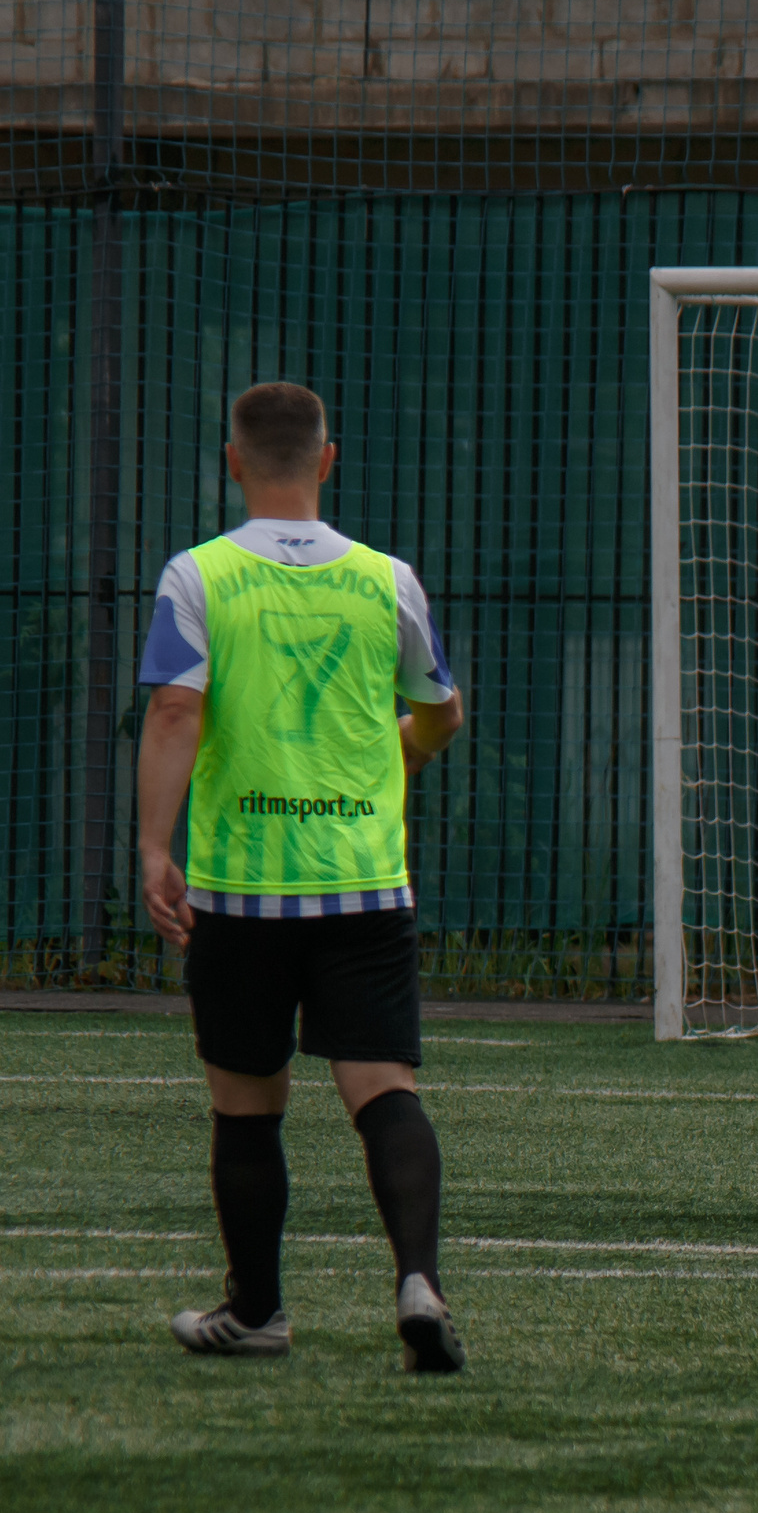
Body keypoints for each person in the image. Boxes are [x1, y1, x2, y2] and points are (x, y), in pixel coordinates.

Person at [136, 382, 470, 1370]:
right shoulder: (387, 577)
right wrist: (396, 759)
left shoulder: (199, 574)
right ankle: (418, 1278)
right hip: (364, 883)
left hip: (241, 891)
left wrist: (156, 850)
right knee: (382, 1087)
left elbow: (172, 715)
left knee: (247, 1105)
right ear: (330, 460)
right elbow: (442, 708)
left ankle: (260, 1309)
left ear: (232, 461)